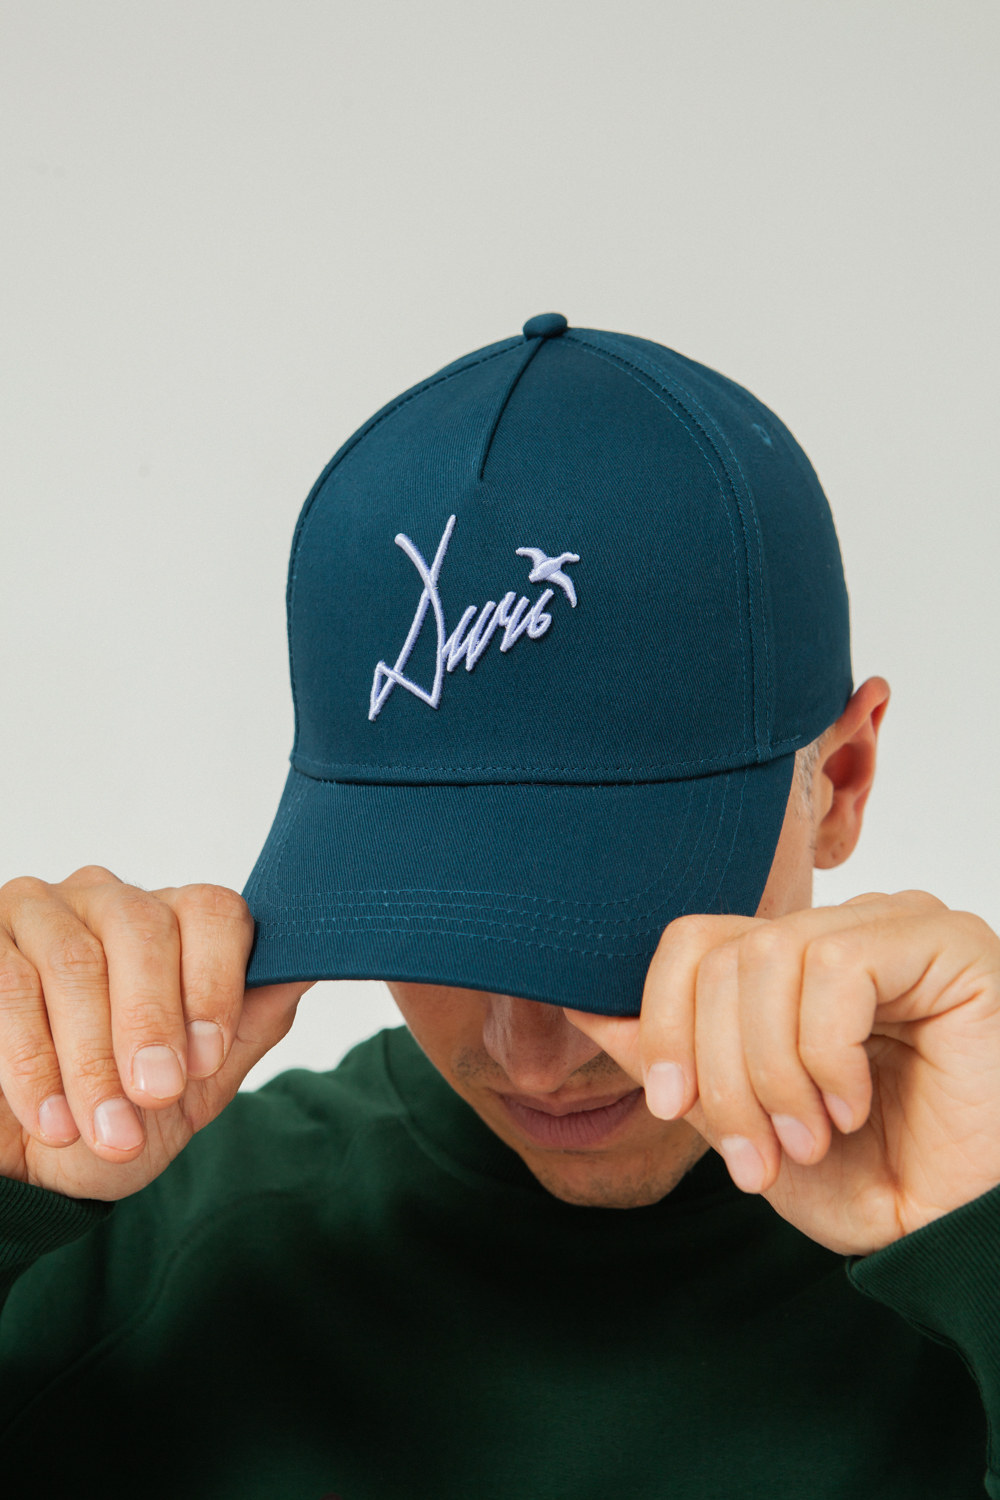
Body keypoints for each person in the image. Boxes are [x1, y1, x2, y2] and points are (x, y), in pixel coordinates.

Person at [1, 313, 998, 1500]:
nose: (531, 1054)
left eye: (613, 924)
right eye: (442, 920)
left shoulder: (966, 1231)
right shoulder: (121, 1247)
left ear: (841, 780)